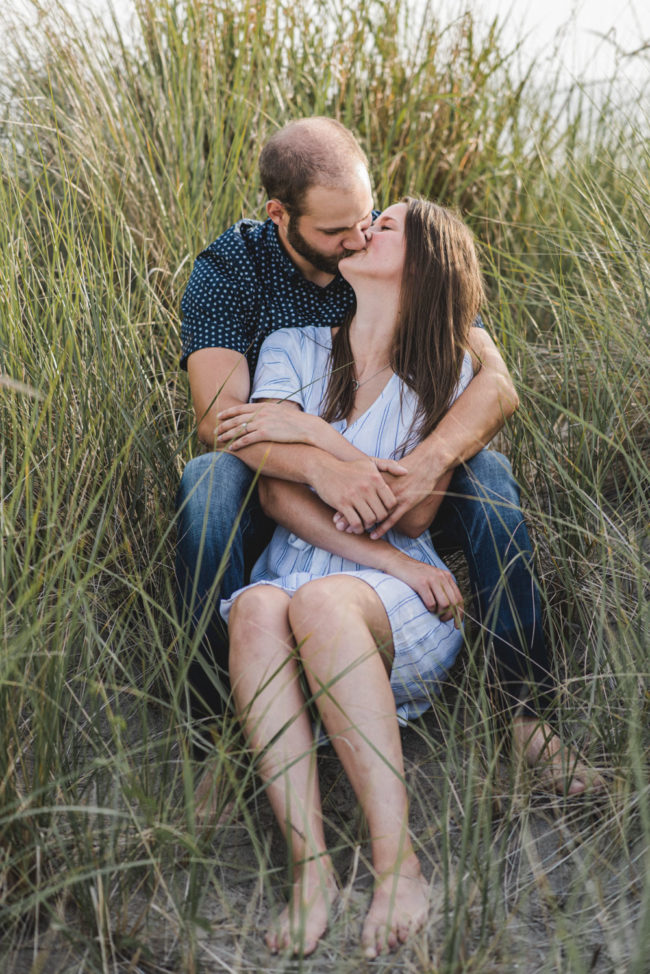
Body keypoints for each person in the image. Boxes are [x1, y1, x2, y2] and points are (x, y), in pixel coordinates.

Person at [176, 116, 594, 806]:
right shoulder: (233, 273)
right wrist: (323, 464)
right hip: (282, 487)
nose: (359, 239)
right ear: (280, 215)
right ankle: (213, 731)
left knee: (488, 476)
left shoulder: (389, 252)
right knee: (208, 482)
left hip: (403, 484)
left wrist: (427, 464)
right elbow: (225, 422)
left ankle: (526, 719)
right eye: (338, 232)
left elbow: (494, 382)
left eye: (368, 220)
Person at [220, 198, 476, 956]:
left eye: (387, 225)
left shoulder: (447, 369)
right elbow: (272, 486)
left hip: (397, 596)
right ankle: (312, 872)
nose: (366, 230)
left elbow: (414, 512)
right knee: (258, 609)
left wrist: (304, 433)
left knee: (326, 605)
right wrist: (316, 443)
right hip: (302, 572)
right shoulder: (294, 346)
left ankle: (399, 869)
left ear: (424, 262)